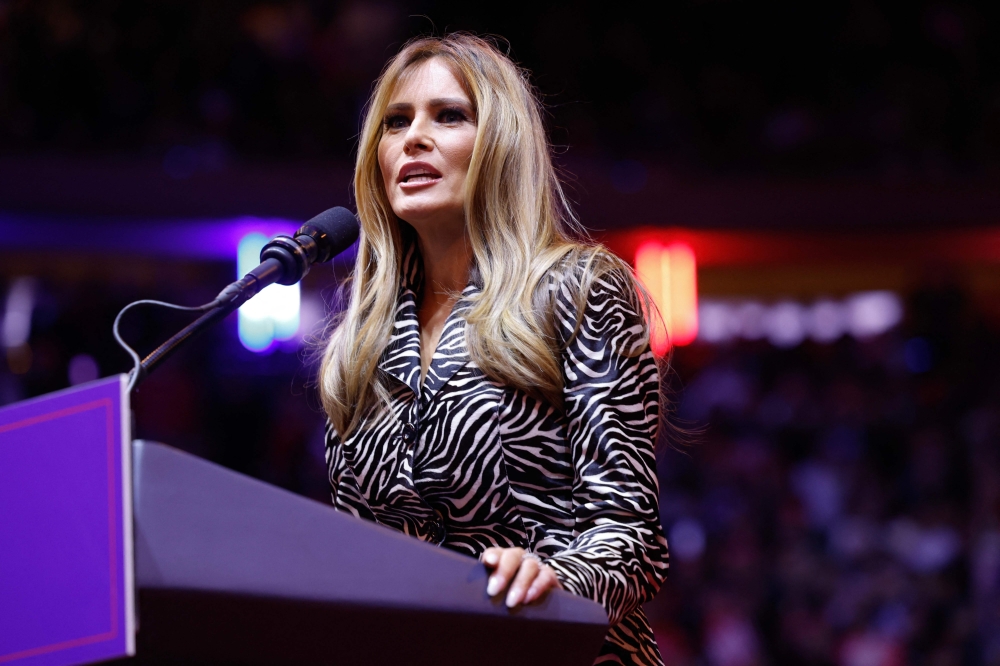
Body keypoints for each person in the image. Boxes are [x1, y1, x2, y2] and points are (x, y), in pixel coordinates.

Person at [318, 33, 669, 665]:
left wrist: (555, 578)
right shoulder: (360, 340)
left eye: (448, 115)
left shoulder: (577, 288)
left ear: (500, 142)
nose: (412, 138)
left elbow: (632, 538)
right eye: (395, 122)